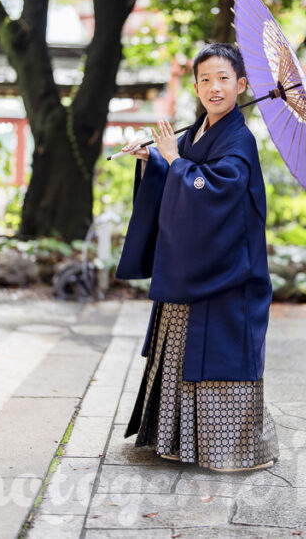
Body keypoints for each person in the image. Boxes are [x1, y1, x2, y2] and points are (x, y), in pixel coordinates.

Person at [115, 42, 280, 472]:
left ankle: (231, 450)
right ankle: (173, 439)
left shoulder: (240, 141)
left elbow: (216, 189)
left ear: (241, 85)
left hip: (228, 270)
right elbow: (176, 166)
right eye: (205, 79)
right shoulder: (197, 132)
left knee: (220, 353)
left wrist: (174, 161)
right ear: (196, 87)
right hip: (192, 265)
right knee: (180, 350)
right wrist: (152, 158)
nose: (214, 87)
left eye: (223, 78)